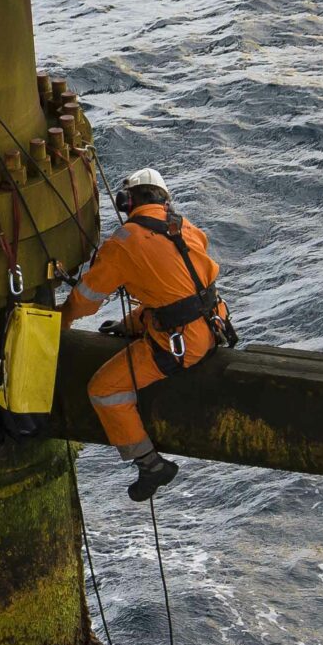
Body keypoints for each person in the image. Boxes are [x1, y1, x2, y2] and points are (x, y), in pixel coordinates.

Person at [58, 167, 236, 501]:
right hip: (215, 325)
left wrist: (61, 321)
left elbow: (85, 301)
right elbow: (174, 293)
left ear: (129, 201)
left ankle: (150, 464)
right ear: (163, 199)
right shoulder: (185, 228)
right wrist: (130, 325)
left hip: (183, 344)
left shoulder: (125, 243)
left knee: (104, 390)